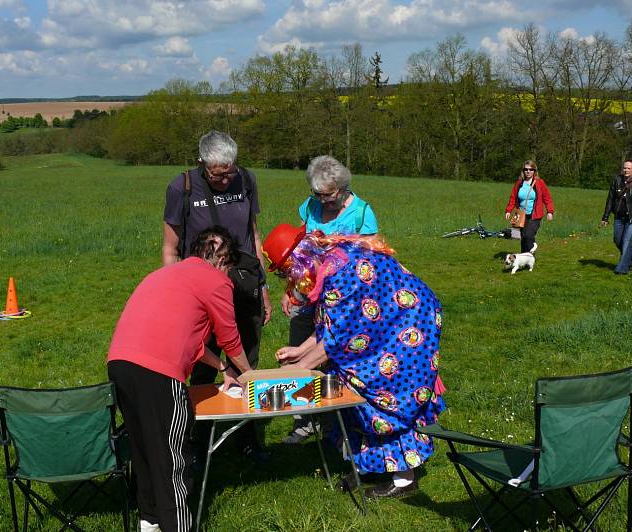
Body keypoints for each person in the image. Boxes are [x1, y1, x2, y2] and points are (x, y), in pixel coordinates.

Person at [264, 224, 445, 499]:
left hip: (408, 324)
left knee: (388, 392)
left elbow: (337, 340)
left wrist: (296, 371)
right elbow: (335, 324)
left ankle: (404, 478)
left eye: (284, 271)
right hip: (385, 324)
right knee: (354, 391)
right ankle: (376, 464)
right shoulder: (328, 265)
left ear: (298, 262)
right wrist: (301, 351)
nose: (286, 278)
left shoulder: (342, 273)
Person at [108, 227, 253, 532]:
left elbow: (191, 342)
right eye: (229, 264)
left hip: (120, 363)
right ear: (223, 259)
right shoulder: (216, 280)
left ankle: (149, 522)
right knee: (173, 460)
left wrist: (224, 368)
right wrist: (250, 375)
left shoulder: (166, 275)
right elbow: (229, 335)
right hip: (158, 373)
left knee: (145, 450)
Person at [162, 130, 271, 460]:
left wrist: (263, 288)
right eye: (217, 174)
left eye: (230, 172)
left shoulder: (246, 180)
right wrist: (174, 297)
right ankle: (194, 440)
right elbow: (170, 249)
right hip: (200, 289)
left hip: (244, 282)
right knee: (202, 363)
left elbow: (253, 236)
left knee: (247, 362)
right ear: (202, 165)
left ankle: (247, 437)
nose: (225, 179)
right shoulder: (181, 188)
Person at [282, 155, 378, 444]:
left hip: (347, 299)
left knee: (335, 354)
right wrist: (291, 288)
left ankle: (338, 423)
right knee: (301, 348)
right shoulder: (309, 206)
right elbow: (300, 250)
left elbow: (373, 262)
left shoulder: (362, 213)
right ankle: (305, 420)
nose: (323, 201)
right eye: (318, 194)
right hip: (309, 291)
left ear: (343, 188)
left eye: (329, 195)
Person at [601, 160, 632, 275]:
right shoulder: (617, 180)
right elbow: (610, 199)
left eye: (629, 168)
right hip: (618, 218)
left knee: (626, 242)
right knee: (617, 241)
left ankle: (622, 268)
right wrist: (605, 217)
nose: (626, 170)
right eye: (624, 168)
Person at [505, 160, 555, 254]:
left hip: (534, 216)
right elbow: (513, 198)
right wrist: (508, 211)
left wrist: (550, 212)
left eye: (531, 169)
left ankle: (531, 254)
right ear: (523, 171)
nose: (528, 171)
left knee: (528, 235)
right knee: (523, 237)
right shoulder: (519, 183)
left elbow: (547, 198)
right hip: (521, 215)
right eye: (526, 169)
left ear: (534, 171)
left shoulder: (540, 183)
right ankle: (524, 258)